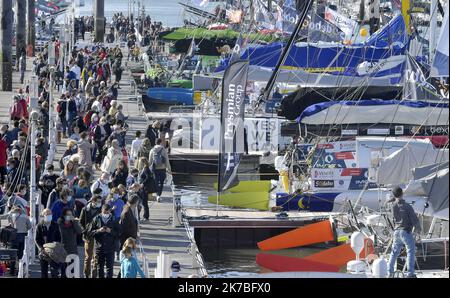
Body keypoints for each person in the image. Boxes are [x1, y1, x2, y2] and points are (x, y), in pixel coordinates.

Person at [387, 186, 421, 278]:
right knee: (410, 251)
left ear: (394, 195)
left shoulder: (393, 206)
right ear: (402, 193)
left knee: (394, 253)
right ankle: (410, 273)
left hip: (396, 232)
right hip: (405, 231)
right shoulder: (407, 206)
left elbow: (395, 202)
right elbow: (414, 220)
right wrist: (418, 230)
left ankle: (389, 272)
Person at [89, 204, 120, 278]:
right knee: (100, 267)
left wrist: (111, 231)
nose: (106, 214)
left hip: (110, 248)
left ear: (110, 211)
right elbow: (89, 233)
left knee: (110, 267)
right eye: (104, 212)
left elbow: (118, 233)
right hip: (99, 248)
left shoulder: (114, 219)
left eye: (107, 212)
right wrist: (98, 230)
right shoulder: (96, 219)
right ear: (101, 211)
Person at [0, 207, 32, 275]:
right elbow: (29, 226)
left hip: (13, 236)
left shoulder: (11, 215)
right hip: (23, 236)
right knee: (21, 255)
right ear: (20, 211)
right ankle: (21, 272)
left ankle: (11, 271)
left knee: (13, 255)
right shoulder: (25, 217)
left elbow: (8, 222)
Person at [79, 195, 102, 278]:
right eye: (98, 201)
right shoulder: (85, 209)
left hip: (98, 235)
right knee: (88, 257)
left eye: (100, 201)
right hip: (88, 236)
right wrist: (84, 231)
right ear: (93, 201)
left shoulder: (100, 209)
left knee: (96, 257)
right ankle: (86, 274)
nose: (100, 203)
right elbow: (80, 222)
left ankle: (94, 275)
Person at [35, 209, 61, 278]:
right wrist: (41, 249)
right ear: (43, 216)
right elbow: (37, 239)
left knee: (54, 272)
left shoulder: (55, 225)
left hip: (53, 252)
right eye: (47, 214)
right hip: (43, 252)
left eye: (50, 214)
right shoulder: (39, 226)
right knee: (44, 272)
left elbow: (59, 238)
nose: (49, 216)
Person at [57, 208, 82, 278]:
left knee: (73, 271)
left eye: (71, 214)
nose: (69, 216)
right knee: (63, 270)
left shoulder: (74, 223)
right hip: (63, 249)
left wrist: (74, 222)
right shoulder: (60, 222)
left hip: (72, 249)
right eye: (68, 214)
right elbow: (62, 233)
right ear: (64, 215)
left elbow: (79, 231)